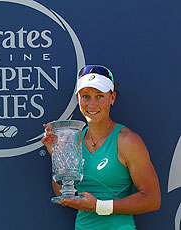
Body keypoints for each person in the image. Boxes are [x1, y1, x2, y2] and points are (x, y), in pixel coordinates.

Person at [41, 65, 161, 230]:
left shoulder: (128, 141)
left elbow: (152, 200)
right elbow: (63, 195)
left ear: (112, 98)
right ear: (78, 98)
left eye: (99, 96)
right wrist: (55, 155)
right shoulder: (73, 140)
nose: (92, 104)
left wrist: (99, 206)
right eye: (86, 96)